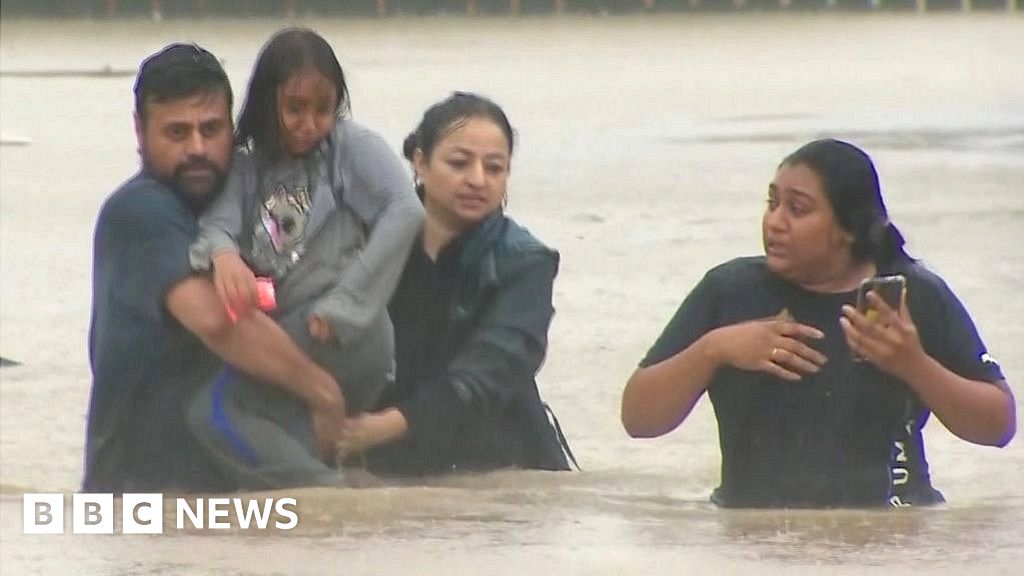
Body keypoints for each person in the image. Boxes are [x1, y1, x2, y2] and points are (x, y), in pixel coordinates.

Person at [620, 139, 1016, 508]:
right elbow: (639, 419)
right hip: (753, 537)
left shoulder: (910, 298)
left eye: (798, 209)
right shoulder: (729, 292)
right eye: (772, 203)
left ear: (848, 227)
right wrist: (715, 349)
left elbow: (998, 426)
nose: (774, 222)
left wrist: (913, 364)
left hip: (892, 533)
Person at [85, 43, 348, 494]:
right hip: (143, 500)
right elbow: (216, 318)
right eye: (177, 133)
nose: (198, 149)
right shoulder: (140, 211)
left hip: (227, 490)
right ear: (140, 132)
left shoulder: (244, 204)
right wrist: (323, 393)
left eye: (211, 129)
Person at [186, 28, 423, 489]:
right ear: (267, 102)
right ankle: (320, 524)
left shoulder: (348, 149)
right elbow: (217, 225)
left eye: (323, 108)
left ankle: (322, 498)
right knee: (284, 432)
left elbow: (405, 210)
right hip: (289, 331)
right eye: (295, 108)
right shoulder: (245, 164)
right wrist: (224, 256)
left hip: (345, 333)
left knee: (214, 411)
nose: (309, 123)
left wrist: (346, 304)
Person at [337, 92, 573, 475]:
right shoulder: (367, 239)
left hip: (501, 464)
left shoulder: (526, 261)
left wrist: (382, 428)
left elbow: (490, 373)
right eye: (459, 163)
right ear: (420, 162)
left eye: (494, 168)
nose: (477, 180)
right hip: (384, 459)